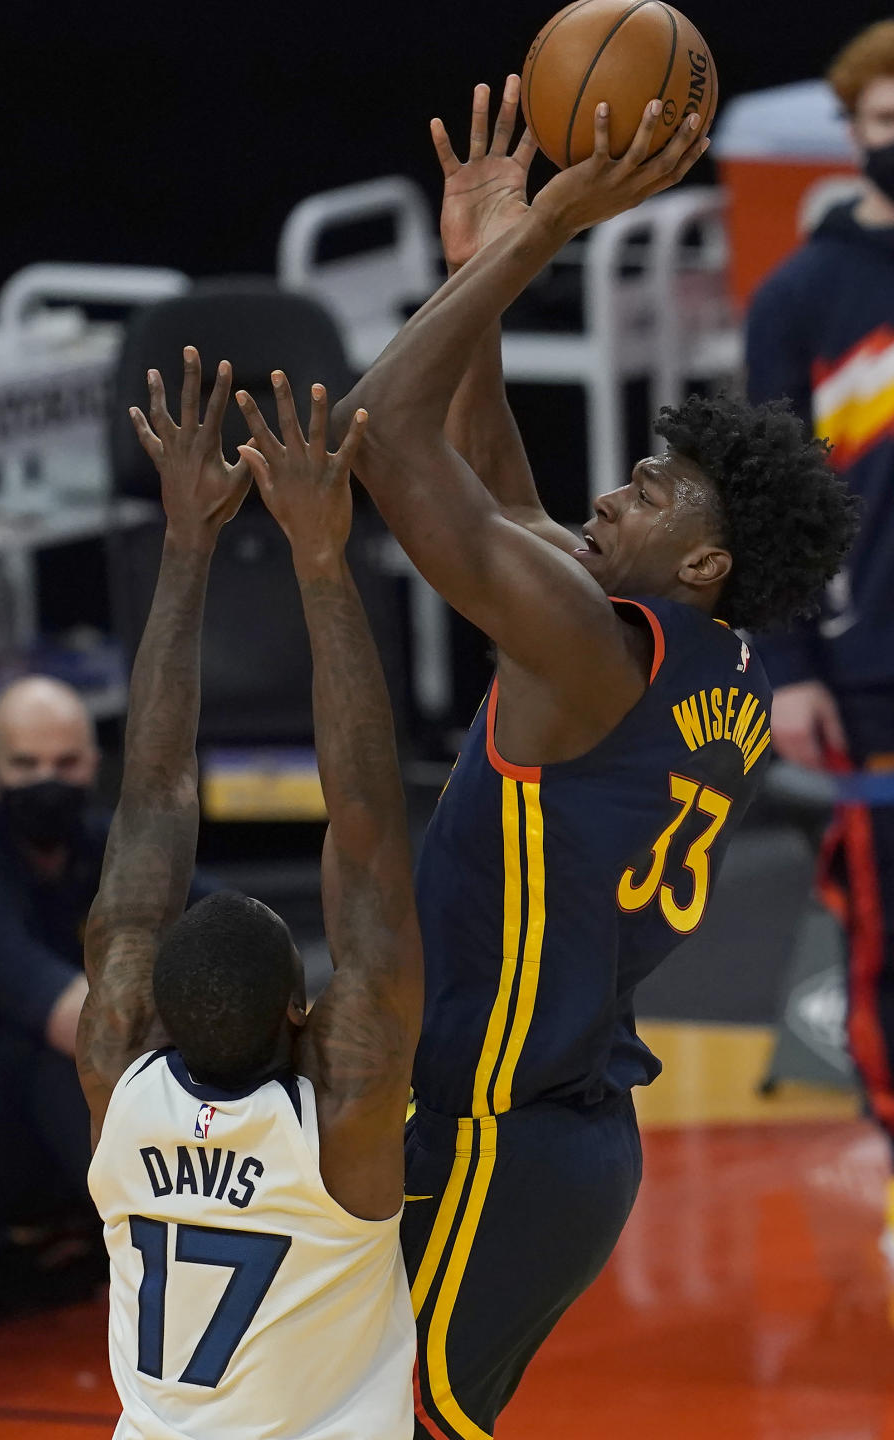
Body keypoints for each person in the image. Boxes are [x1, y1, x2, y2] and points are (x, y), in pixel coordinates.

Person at [311, 79, 856, 1439]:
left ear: (707, 563)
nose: (613, 492)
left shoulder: (594, 649)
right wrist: (476, 273)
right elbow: (493, 490)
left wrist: (544, 228)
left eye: (653, 493)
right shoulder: (685, 653)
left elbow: (382, 429)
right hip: (550, 1121)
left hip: (504, 1127)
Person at [79, 349, 421, 1440]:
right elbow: (363, 826)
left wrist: (186, 544)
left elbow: (149, 805)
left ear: (153, 1014)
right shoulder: (347, 1107)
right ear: (302, 1012)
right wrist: (322, 556)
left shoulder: (115, 1068)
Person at [745, 20, 894, 1257]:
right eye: (883, 122)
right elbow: (766, 509)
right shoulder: (798, 298)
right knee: (887, 933)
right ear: (853, 134)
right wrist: (788, 668)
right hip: (868, 673)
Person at [0, 678, 215, 1322]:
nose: (46, 781)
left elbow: (236, 932)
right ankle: (180, 1261)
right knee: (69, 1062)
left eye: (64, 763)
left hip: (92, 1113)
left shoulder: (111, 853)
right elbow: (80, 1024)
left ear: (92, 765)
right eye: (25, 765)